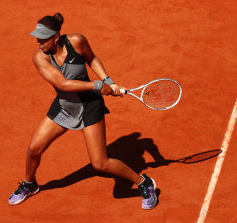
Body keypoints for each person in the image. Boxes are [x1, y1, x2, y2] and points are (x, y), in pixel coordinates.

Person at [8, 12, 157, 210]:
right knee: (34, 148)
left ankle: (144, 182)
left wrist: (108, 82)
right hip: (64, 105)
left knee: (100, 164)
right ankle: (29, 183)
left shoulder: (77, 41)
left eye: (43, 38)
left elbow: (92, 59)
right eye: (37, 38)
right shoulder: (39, 57)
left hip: (89, 106)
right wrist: (97, 86)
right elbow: (63, 84)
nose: (39, 42)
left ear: (55, 37)